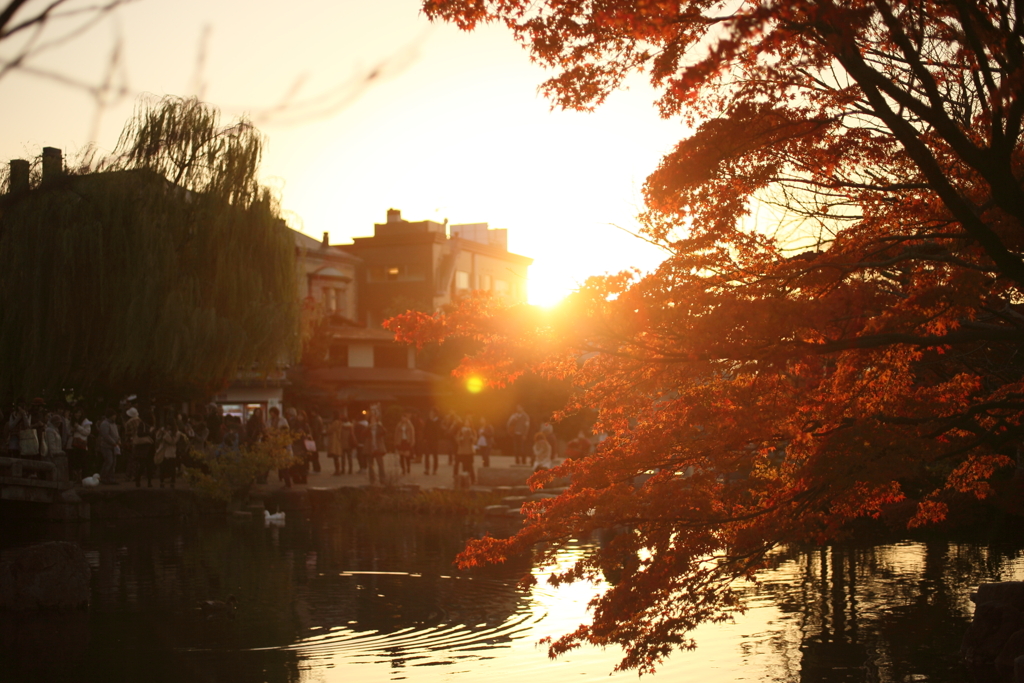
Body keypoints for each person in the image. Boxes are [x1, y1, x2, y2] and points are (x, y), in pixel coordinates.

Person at [266, 406, 292, 487]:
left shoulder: (282, 420)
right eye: (270, 413)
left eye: (272, 412)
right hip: (273, 442)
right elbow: (267, 430)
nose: (271, 414)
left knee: (283, 463)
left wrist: (278, 433)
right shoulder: (269, 421)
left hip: (281, 443)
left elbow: (286, 430)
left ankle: (286, 480)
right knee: (278, 462)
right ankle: (281, 477)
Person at [133, 409, 156, 487]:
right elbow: (139, 434)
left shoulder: (149, 425)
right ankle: (140, 480)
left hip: (148, 448)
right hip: (145, 448)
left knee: (148, 466)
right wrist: (149, 432)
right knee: (144, 465)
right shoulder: (142, 425)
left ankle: (147, 482)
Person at [326, 411, 354, 475]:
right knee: (348, 457)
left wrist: (328, 426)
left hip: (335, 442)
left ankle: (339, 470)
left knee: (337, 457)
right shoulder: (346, 425)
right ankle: (350, 470)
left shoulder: (335, 423)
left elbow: (329, 430)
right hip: (345, 443)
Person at [98, 408, 121, 484]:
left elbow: (116, 433)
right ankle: (103, 477)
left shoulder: (113, 423)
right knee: (109, 461)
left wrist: (118, 440)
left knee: (114, 462)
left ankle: (111, 478)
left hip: (114, 446)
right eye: (114, 415)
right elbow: (106, 435)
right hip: (106, 446)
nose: (115, 417)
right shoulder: (105, 424)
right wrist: (113, 442)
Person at [365, 414, 388, 485]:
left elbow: (384, 432)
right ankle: (372, 480)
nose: (373, 421)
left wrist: (380, 425)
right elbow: (363, 434)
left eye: (374, 420)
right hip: (370, 448)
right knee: (370, 465)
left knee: (380, 464)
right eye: (371, 419)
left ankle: (382, 479)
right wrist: (368, 428)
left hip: (378, 448)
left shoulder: (379, 427)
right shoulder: (368, 427)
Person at [454, 419, 477, 486]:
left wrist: (472, 438)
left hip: (470, 450)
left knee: (470, 466)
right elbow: (457, 439)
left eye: (468, 422)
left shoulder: (472, 430)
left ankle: (473, 479)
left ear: (470, 424)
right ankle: (465, 480)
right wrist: (460, 439)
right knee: (464, 466)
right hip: (462, 451)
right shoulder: (461, 430)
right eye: (465, 422)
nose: (466, 423)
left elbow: (475, 439)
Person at [423, 409, 440, 475]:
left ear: (435, 413)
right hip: (428, 440)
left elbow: (437, 430)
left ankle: (434, 469)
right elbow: (425, 429)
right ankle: (427, 469)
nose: (430, 413)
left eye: (432, 412)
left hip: (435, 441)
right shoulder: (428, 420)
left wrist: (433, 421)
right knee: (427, 455)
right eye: (430, 412)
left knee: (435, 455)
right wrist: (424, 438)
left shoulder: (437, 421)